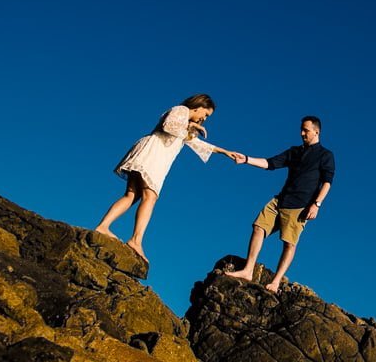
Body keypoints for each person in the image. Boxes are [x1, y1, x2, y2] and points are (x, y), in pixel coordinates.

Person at [95, 93, 240, 263]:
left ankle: (103, 226)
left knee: (132, 195)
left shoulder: (186, 123)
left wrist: (223, 152)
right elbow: (168, 126)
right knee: (150, 196)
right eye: (205, 114)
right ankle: (135, 240)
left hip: (154, 155)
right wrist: (191, 125)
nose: (205, 119)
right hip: (154, 153)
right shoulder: (181, 110)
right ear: (198, 106)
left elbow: (197, 143)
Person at [226, 115, 335, 293]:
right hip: (280, 200)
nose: (302, 133)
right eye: (301, 130)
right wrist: (246, 159)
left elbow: (327, 182)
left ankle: (276, 281)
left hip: (300, 206)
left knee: (289, 244)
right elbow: (270, 163)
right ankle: (248, 270)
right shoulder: (295, 152)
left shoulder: (325, 155)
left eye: (305, 130)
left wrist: (316, 204)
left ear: (316, 131)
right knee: (258, 227)